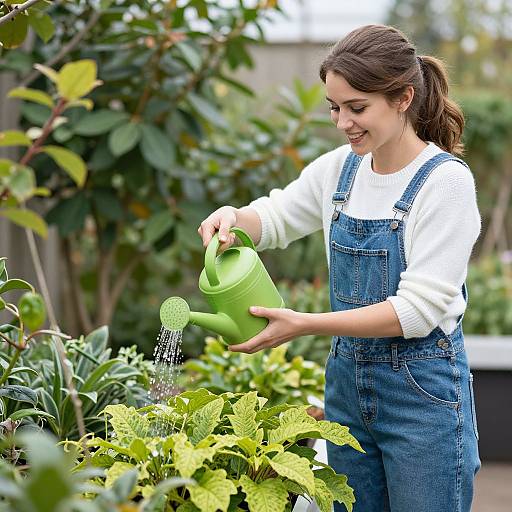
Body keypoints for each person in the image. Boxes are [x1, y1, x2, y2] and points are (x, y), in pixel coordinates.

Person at [197, 24, 481, 512]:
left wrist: (303, 326)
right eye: (334, 108)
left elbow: (415, 311)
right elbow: (276, 216)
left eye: (357, 108)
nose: (343, 122)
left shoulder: (445, 184)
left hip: (421, 397)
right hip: (346, 387)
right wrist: (233, 218)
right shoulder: (340, 170)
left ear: (402, 98)